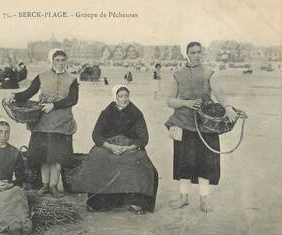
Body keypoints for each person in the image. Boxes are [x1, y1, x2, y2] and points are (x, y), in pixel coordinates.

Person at [165, 41, 238, 213]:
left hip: (206, 124)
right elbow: (169, 100)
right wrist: (186, 103)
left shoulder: (209, 72)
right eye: (193, 52)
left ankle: (204, 200)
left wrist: (227, 107)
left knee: (206, 162)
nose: (197, 55)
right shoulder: (178, 74)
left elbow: (219, 92)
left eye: (199, 52)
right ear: (187, 54)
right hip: (183, 122)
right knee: (184, 162)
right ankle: (183, 198)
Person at [72, 85, 158, 214]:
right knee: (97, 157)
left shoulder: (136, 113)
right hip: (109, 145)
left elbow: (143, 138)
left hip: (129, 145)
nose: (124, 99)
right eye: (120, 96)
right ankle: (99, 202)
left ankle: (136, 202)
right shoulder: (107, 112)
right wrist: (110, 146)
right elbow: (96, 134)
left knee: (138, 160)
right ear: (115, 97)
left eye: (126, 96)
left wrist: (129, 147)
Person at [9, 49, 79, 198]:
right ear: (52, 61)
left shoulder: (72, 79)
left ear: (66, 61)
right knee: (43, 157)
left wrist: (54, 105)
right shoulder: (42, 76)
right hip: (42, 123)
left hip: (62, 123)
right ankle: (45, 185)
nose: (60, 63)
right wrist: (14, 95)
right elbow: (29, 92)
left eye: (63, 60)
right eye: (57, 60)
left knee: (58, 157)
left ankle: (54, 186)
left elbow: (73, 99)